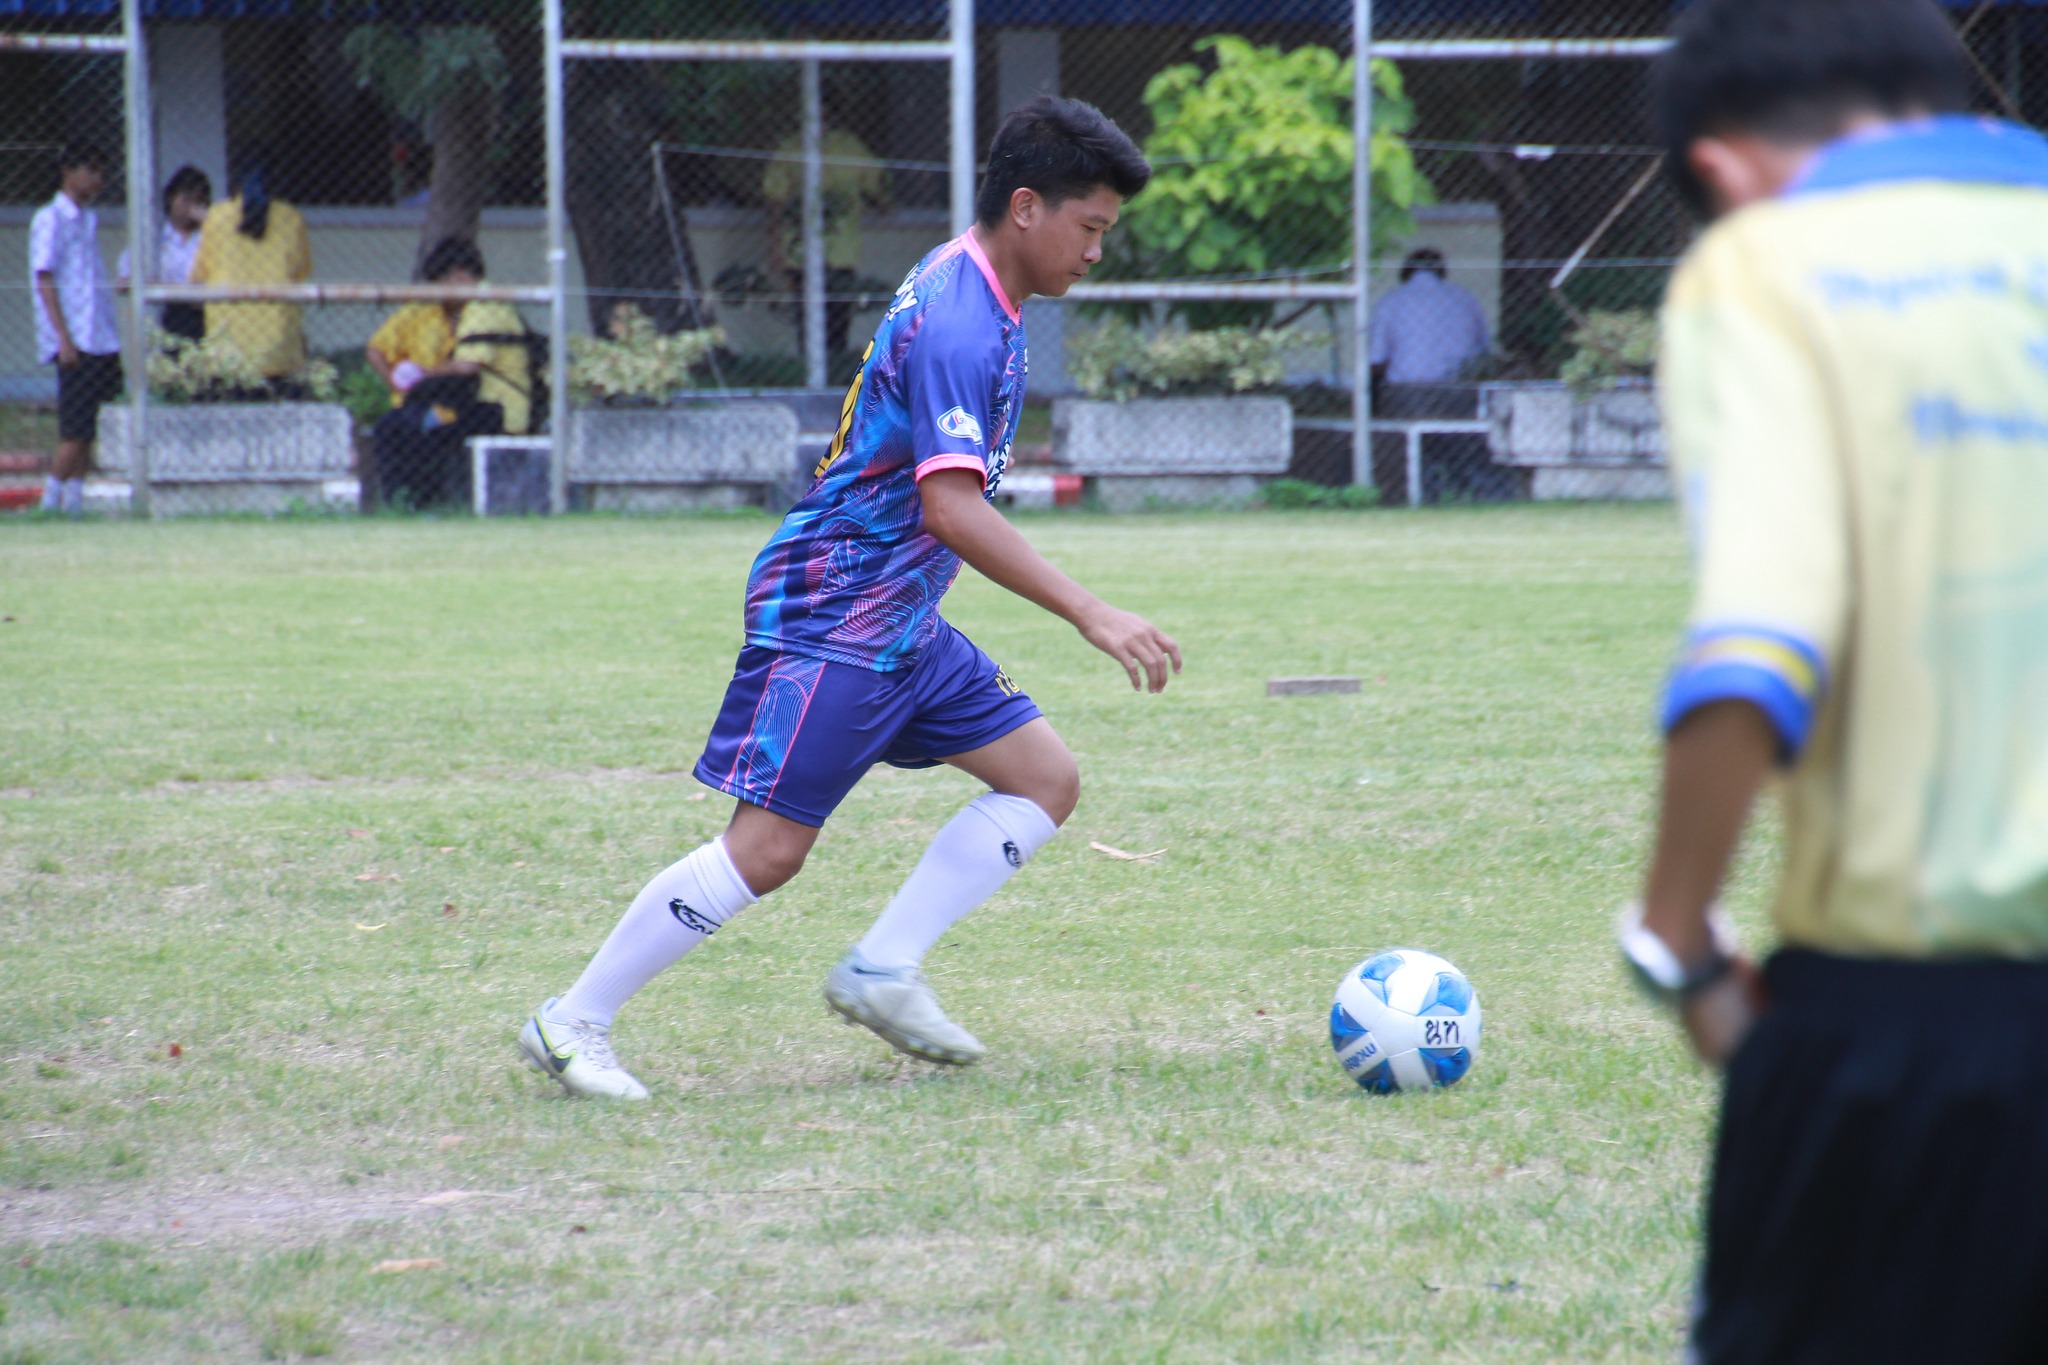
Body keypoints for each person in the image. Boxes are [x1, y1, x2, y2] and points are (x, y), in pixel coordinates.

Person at [519, 96, 1173, 1100]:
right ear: (1026, 207)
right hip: (839, 610)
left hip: (898, 615)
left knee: (1042, 777)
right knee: (767, 850)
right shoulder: (962, 320)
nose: (1095, 252)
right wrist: (1091, 610)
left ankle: (882, 968)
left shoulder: (979, 284)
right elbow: (951, 508)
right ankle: (572, 1020)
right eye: (1089, 228)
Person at [1617, 1, 2048, 1359]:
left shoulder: (1767, 268)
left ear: (1721, 169)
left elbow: (1758, 640)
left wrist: (1678, 946)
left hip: (1913, 1043)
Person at [366, 236, 530, 509]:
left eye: (440, 284)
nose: (438, 293)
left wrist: (421, 374)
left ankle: (418, 502)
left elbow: (467, 366)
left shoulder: (482, 308)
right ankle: (408, 501)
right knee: (400, 423)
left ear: (459, 275)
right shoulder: (482, 304)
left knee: (418, 426)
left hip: (497, 408)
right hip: (481, 404)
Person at [29, 142, 121, 517]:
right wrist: (63, 338)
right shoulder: (50, 219)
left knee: (92, 425)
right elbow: (44, 278)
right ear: (68, 172)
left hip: (100, 335)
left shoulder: (88, 219)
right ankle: (50, 499)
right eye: (90, 170)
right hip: (76, 338)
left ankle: (75, 501)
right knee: (75, 428)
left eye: (101, 171)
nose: (97, 179)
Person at [761, 124, 892, 358]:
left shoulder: (841, 146)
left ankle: (827, 362)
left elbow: (878, 187)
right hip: (812, 250)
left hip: (825, 251)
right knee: (818, 314)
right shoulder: (797, 147)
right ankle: (821, 363)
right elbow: (775, 201)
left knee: (830, 313)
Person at [188, 152, 311, 384]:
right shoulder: (291, 218)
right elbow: (300, 270)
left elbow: (199, 276)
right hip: (278, 343)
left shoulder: (217, 217)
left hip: (227, 341)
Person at [1368, 249, 1489, 387]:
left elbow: (1376, 359)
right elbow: (1484, 348)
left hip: (1405, 387)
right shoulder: (1465, 299)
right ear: (1442, 271)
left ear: (1405, 272)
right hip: (1459, 387)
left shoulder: (1390, 301)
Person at [117, 165, 211, 341]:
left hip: (206, 315)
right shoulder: (154, 240)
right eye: (186, 199)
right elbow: (123, 282)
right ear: (170, 199)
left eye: (198, 201)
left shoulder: (211, 238)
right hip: (167, 315)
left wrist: (210, 223)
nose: (191, 208)